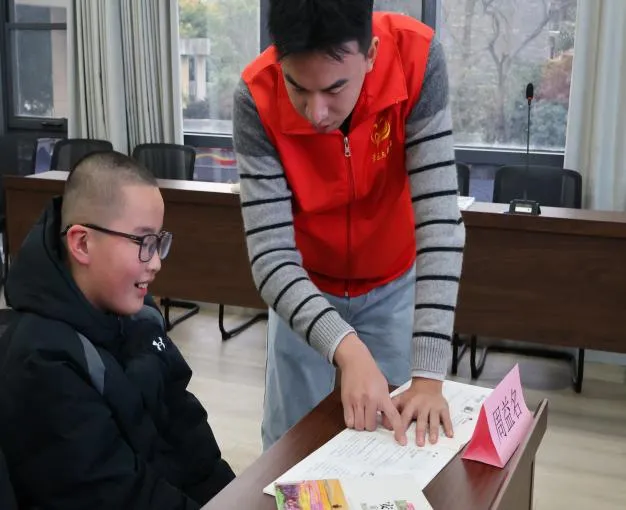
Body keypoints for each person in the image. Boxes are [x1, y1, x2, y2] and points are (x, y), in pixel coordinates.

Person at [233, 0, 465, 451]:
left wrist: (428, 376)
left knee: (393, 439)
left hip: (392, 284)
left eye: (334, 88)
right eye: (298, 87)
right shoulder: (255, 97)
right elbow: (271, 257)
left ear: (371, 53)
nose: (316, 112)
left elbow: (440, 222)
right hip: (304, 288)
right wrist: (347, 347)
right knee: (289, 444)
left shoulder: (416, 59)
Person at [0, 152, 235, 509]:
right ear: (82, 243)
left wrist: (237, 497)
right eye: (143, 243)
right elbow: (118, 495)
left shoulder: (139, 316)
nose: (156, 263)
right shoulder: (41, 361)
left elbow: (189, 434)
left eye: (158, 242)